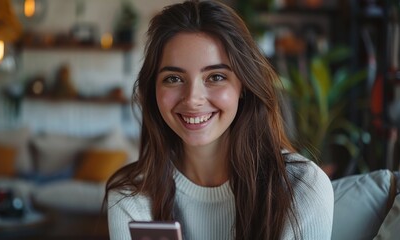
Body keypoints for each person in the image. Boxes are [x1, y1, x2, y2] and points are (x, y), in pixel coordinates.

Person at [104, 1, 334, 239]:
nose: (193, 99)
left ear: (243, 85)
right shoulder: (131, 196)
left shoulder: (302, 187)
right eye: (173, 78)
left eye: (215, 76)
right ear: (153, 89)